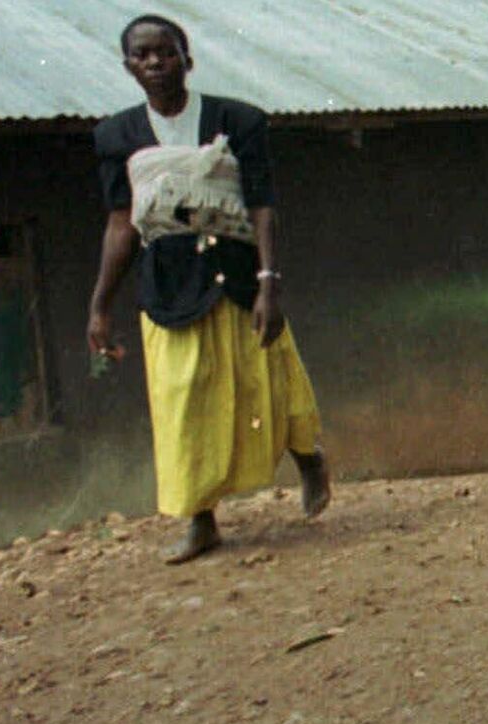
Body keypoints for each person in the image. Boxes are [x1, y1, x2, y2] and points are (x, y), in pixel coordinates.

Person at [86, 15, 332, 564]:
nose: (154, 63)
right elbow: (121, 223)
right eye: (141, 56)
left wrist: (269, 282)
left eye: (165, 53)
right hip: (170, 285)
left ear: (187, 59)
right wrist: (99, 304)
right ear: (129, 67)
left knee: (267, 376)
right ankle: (200, 521)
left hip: (239, 275)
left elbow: (262, 204)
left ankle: (307, 456)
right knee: (179, 401)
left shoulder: (236, 121)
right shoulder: (115, 137)